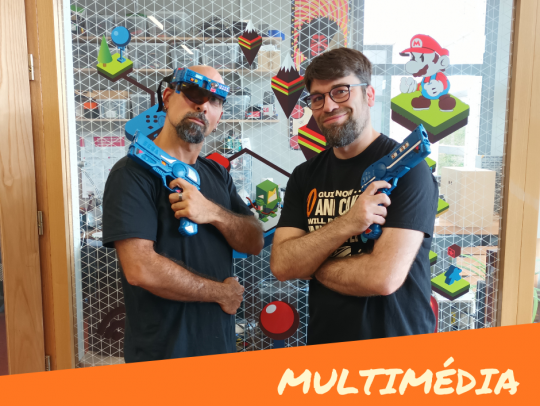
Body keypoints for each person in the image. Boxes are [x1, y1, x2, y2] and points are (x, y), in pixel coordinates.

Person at [270, 48, 439, 345]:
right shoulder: (304, 176)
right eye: (317, 98)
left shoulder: (409, 169)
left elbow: (382, 278)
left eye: (341, 91)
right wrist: (349, 222)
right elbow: (283, 265)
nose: (328, 105)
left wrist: (312, 264)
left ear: (369, 95)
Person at [102, 66, 264, 362]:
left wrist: (212, 212)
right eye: (194, 93)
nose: (203, 106)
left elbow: (254, 241)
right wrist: (221, 293)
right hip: (162, 355)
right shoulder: (131, 174)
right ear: (167, 98)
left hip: (220, 347)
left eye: (215, 100)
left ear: (219, 116)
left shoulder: (217, 174)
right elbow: (140, 269)